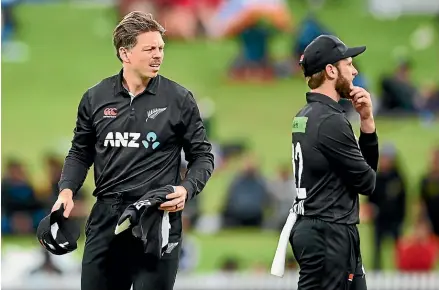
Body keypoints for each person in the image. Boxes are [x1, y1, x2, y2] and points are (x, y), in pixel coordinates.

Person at [50, 11, 214, 290]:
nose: (158, 55)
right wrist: (66, 191)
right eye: (149, 48)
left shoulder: (180, 99)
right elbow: (79, 152)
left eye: (161, 48)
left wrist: (187, 189)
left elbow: (203, 157)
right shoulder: (95, 98)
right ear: (124, 53)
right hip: (106, 218)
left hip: (156, 219)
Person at [274, 35, 379, 289]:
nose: (354, 71)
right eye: (349, 64)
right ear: (331, 70)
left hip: (322, 228)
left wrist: (366, 122)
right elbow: (367, 182)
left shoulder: (305, 115)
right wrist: (367, 131)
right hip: (329, 233)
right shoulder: (331, 120)